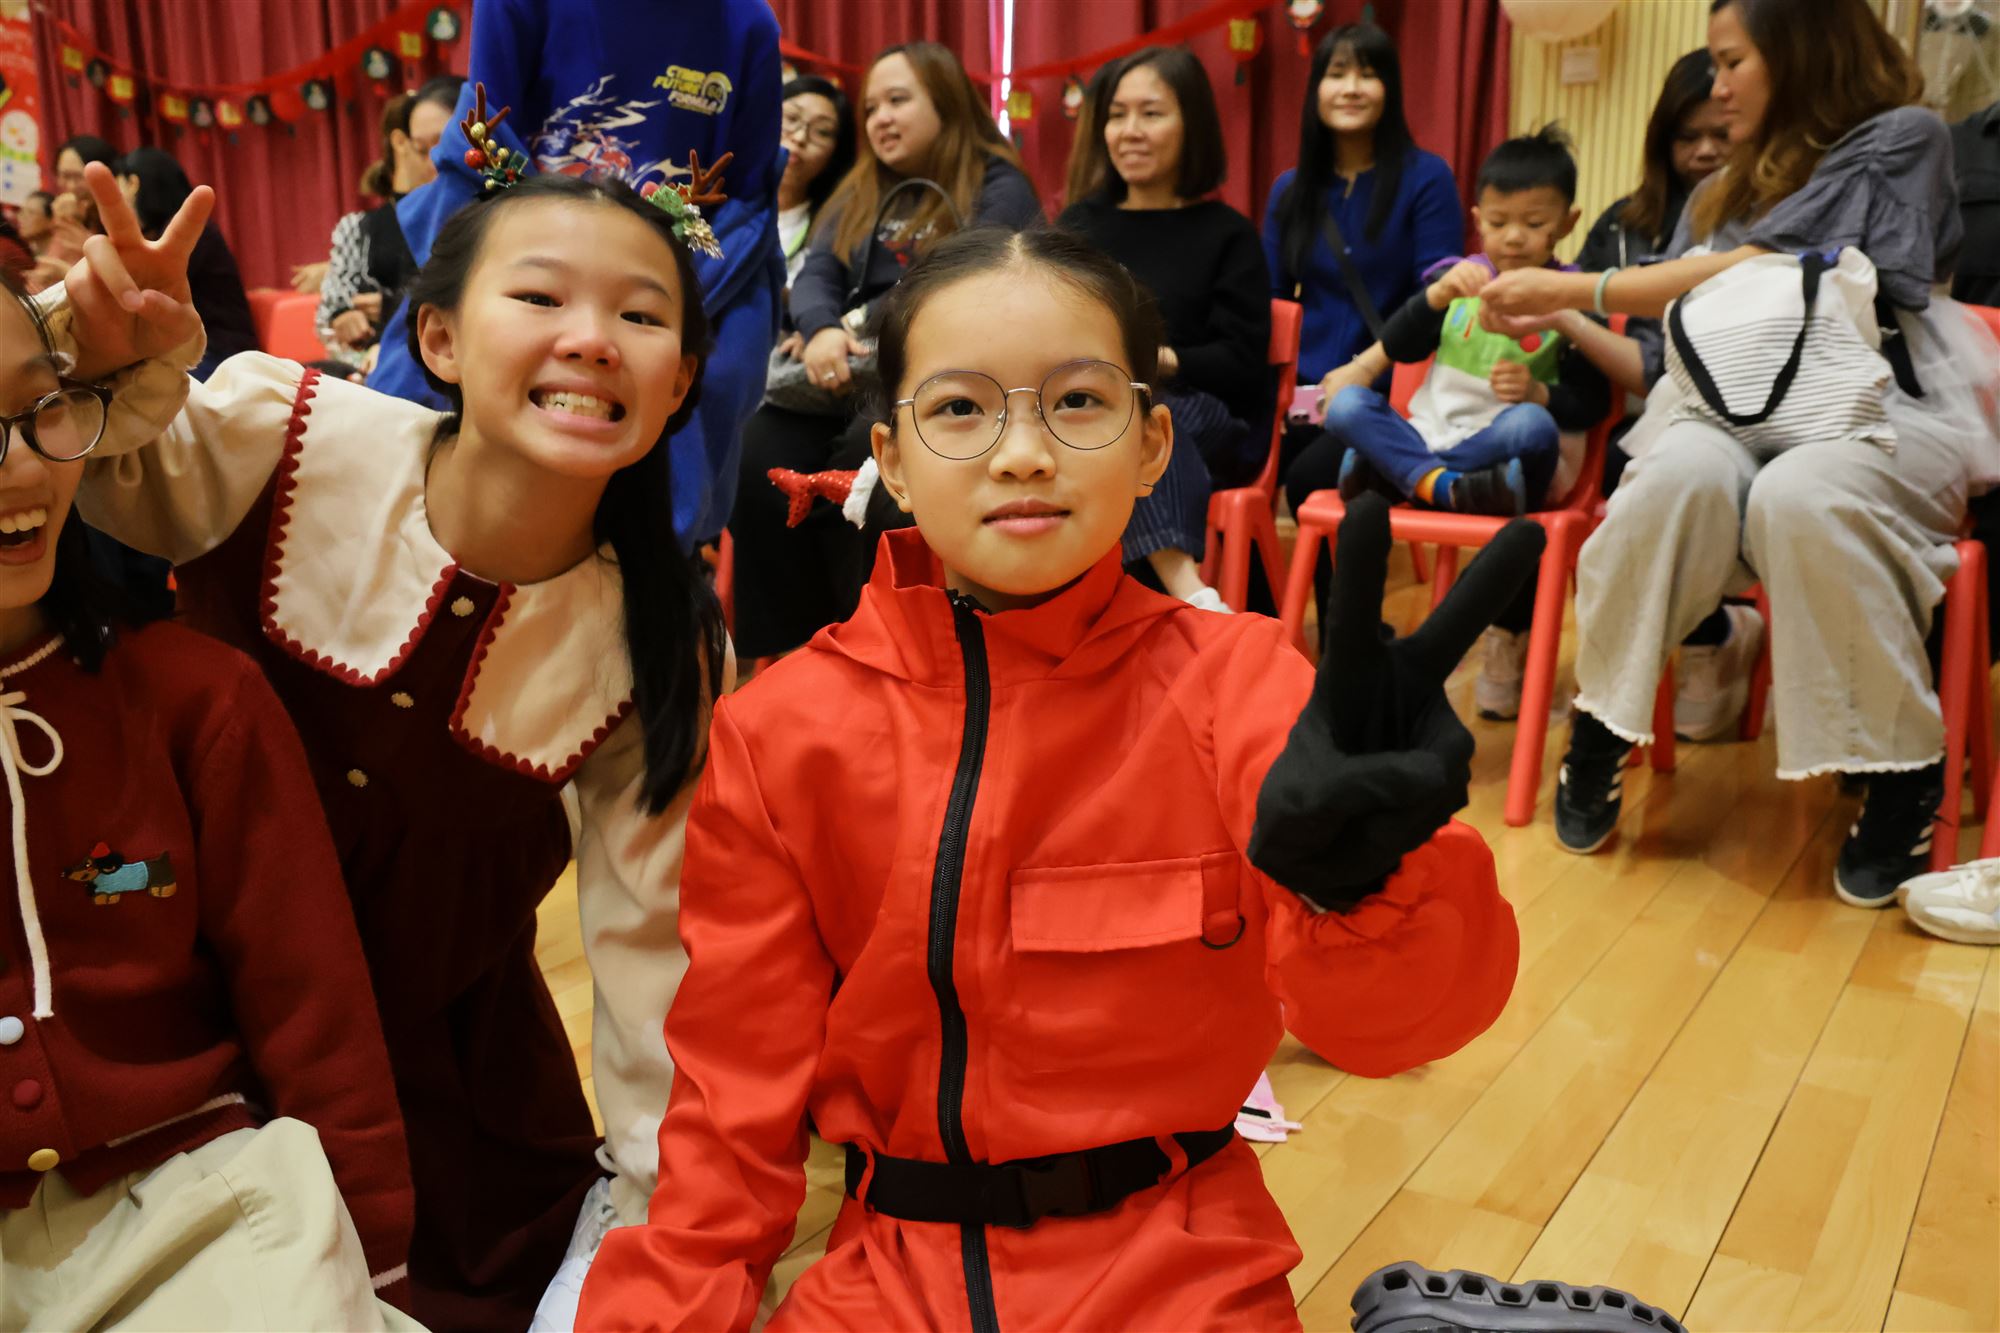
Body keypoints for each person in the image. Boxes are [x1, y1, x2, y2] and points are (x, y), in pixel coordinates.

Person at [576, 224, 1529, 1332]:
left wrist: (1371, 887)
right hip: (887, 1280)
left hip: (1179, 1272)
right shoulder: (784, 732)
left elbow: (1400, 1027)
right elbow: (727, 1114)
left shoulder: (1239, 686)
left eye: (1077, 402)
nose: (1023, 453)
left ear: (1152, 444)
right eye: (959, 408)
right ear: (890, 456)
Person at [54, 161, 729, 1329]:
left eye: (639, 313)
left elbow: (648, 952)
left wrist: (651, 1208)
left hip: (441, 1087)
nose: (591, 339)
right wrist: (97, 357)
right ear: (440, 338)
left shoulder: (655, 641)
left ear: (679, 383)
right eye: (540, 297)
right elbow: (98, 476)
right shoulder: (289, 433)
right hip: (165, 1026)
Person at [1481, 0, 2000, 905]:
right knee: (1672, 481)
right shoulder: (1721, 184)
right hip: (1724, 407)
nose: (1716, 87)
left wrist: (1578, 287)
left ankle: (1901, 770)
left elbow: (1776, 261)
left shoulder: (1904, 138)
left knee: (1802, 495)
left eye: (1732, 61)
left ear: (1800, 52)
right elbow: (1680, 330)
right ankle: (1604, 719)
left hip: (1872, 403)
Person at [0, 265, 413, 1321]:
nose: (22, 463)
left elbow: (313, 1007)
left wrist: (371, 1266)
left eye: (40, 406)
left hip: (199, 1202)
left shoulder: (195, 700)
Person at [367, 0, 784, 552]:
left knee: (714, 375)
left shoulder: (747, 23)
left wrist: (659, 308)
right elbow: (485, 135)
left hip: (684, 272)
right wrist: (542, 280)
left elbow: (746, 199)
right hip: (522, 244)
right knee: (422, 390)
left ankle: (655, 562)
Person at [1470, 50, 1759, 732]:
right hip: (1611, 420)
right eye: (1688, 136)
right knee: (1530, 472)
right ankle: (1513, 633)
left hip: (1718, 418)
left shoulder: (1763, 221)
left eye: (1720, 134)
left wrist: (1564, 311)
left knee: (1653, 479)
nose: (1705, 150)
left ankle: (1710, 640)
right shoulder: (1622, 227)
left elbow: (1654, 373)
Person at [729, 41, 1042, 660]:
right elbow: (818, 271)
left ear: (946, 103)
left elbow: (970, 273)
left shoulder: (997, 181)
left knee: (869, 457)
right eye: (871, 108)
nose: (880, 119)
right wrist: (820, 327)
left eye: (898, 101)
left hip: (937, 376)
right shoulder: (860, 189)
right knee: (758, 450)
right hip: (845, 368)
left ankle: (870, 645)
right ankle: (790, 653)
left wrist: (857, 323)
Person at [1058, 45, 1271, 611]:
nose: (1130, 131)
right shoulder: (1079, 225)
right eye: (1117, 115)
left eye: (1151, 113)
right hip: (1089, 405)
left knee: (1143, 420)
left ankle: (1185, 592)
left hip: (1204, 408)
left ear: (1191, 123)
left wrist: (1162, 360)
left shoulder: (1227, 233)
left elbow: (1243, 361)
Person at [1266, 23, 1462, 601]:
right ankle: (1254, 624)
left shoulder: (1427, 178)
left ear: (1390, 89)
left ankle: (1345, 632)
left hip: (1391, 391)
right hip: (1303, 397)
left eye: (1367, 74)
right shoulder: (1290, 190)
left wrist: (1366, 368)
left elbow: (1438, 299)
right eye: (1337, 74)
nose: (1351, 87)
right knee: (1234, 463)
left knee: (1308, 480)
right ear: (1316, 90)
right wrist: (1274, 395)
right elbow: (1272, 303)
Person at [1326, 125, 1609, 519]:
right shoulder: (1457, 280)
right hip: (1430, 435)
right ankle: (1445, 487)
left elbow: (1593, 404)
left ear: (1567, 222)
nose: (1513, 237)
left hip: (1501, 450)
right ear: (1477, 221)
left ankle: (1400, 475)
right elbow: (1403, 345)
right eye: (1498, 223)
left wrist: (1539, 393)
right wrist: (1435, 297)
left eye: (1533, 224)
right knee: (1345, 405)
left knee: (1532, 425)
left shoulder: (1575, 297)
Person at [317, 77, 463, 369]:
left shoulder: (481, 215)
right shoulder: (364, 226)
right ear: (401, 143)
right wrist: (343, 318)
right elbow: (331, 312)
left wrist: (389, 308)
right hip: (377, 363)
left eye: (443, 144)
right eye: (422, 149)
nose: (434, 161)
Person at [113, 147, 256, 379]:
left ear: (134, 184)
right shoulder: (161, 232)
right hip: (193, 349)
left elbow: (146, 295)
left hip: (221, 352)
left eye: (118, 186)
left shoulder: (190, 233)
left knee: (135, 387)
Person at [775, 75, 855, 296]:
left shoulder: (833, 229)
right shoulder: (719, 198)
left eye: (822, 132)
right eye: (791, 118)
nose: (800, 137)